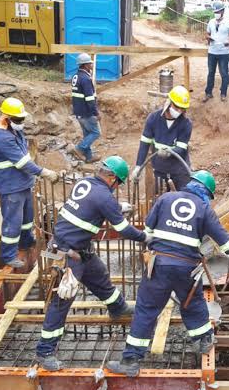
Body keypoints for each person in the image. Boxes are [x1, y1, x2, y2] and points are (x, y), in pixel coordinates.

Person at [109, 170, 229, 377]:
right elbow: (227, 242)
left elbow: (148, 231)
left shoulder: (165, 198)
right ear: (206, 192)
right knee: (192, 303)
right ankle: (204, 341)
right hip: (186, 268)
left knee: (146, 310)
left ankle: (130, 361)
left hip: (159, 265)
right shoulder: (205, 209)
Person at [36, 156, 151, 371]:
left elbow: (90, 206)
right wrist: (145, 237)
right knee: (62, 302)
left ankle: (118, 308)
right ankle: (45, 351)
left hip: (77, 249)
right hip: (67, 254)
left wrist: (116, 207)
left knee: (99, 276)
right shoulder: (105, 198)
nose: (116, 188)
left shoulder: (85, 183)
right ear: (112, 179)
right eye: (118, 184)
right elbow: (124, 229)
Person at [0, 97, 59, 269]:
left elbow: (25, 157)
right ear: (6, 118)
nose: (21, 122)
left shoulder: (15, 131)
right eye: (18, 120)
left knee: (27, 220)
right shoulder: (2, 138)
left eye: (22, 119)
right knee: (13, 222)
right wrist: (44, 172)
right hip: (10, 186)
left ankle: (26, 241)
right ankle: (8, 255)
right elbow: (21, 163)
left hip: (23, 183)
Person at [130, 85, 193, 191]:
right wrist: (138, 166)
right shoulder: (153, 119)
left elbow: (181, 149)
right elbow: (144, 144)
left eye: (182, 109)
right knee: (159, 201)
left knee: (180, 200)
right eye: (176, 107)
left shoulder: (186, 124)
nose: (179, 111)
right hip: (160, 170)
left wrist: (169, 152)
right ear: (169, 102)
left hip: (179, 171)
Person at [71, 52, 101, 163]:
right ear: (85, 65)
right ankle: (79, 148)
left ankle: (89, 157)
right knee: (95, 133)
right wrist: (96, 113)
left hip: (78, 111)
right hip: (86, 112)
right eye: (90, 64)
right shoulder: (85, 79)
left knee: (87, 134)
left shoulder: (76, 76)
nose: (91, 65)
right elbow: (89, 99)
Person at [203, 1, 229, 103]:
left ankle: (223, 93)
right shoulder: (211, 22)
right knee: (211, 73)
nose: (216, 13)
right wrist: (209, 38)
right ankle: (208, 92)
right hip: (212, 51)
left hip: (223, 52)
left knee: (224, 73)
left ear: (223, 11)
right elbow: (207, 34)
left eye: (218, 11)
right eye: (215, 11)